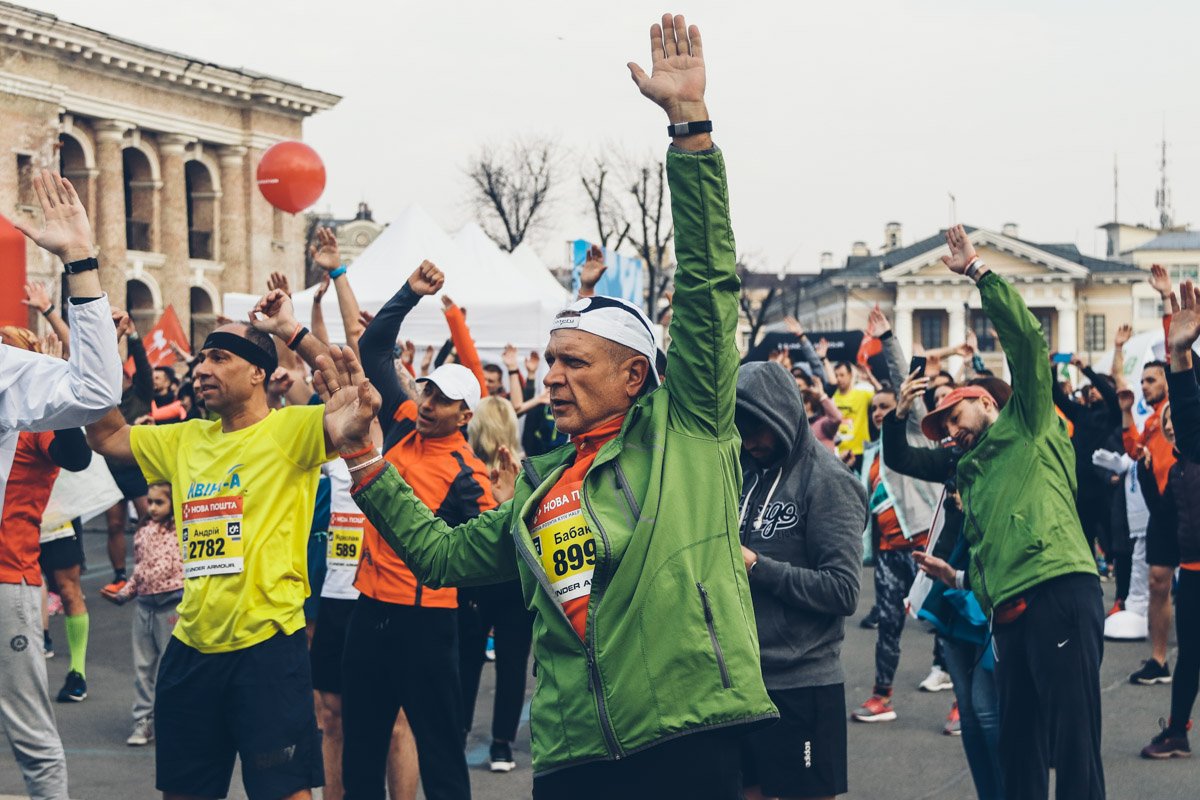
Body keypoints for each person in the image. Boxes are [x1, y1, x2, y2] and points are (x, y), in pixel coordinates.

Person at [317, 15, 777, 799]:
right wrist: (363, 458)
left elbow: (707, 285)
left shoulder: (688, 427)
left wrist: (689, 131)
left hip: (685, 736)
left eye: (574, 362)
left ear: (635, 376)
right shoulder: (540, 487)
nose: (554, 377)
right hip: (570, 756)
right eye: (552, 361)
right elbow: (443, 556)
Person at [85, 299, 335, 800]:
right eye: (201, 359)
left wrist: (293, 331)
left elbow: (352, 402)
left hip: (266, 650)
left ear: (259, 373)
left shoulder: (292, 432)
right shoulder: (185, 440)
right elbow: (106, 434)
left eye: (219, 357)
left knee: (284, 792)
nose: (201, 369)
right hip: (192, 649)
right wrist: (105, 353)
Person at [915, 224, 1104, 800]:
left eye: (951, 416)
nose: (948, 430)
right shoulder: (969, 476)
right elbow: (995, 552)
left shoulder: (1029, 422)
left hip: (1060, 594)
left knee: (1074, 751)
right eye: (941, 427)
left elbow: (1026, 341)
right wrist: (964, 578)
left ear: (982, 400)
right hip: (1008, 618)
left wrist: (979, 273)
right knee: (1018, 754)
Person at [349, 261, 495, 800]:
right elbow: (374, 350)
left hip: (428, 625)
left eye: (441, 401)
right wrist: (409, 292)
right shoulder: (404, 422)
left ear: (465, 416)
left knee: (439, 753)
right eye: (426, 392)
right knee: (361, 748)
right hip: (369, 613)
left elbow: (484, 555)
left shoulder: (468, 474)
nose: (427, 403)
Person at [1, 169, 122, 800]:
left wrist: (78, 262)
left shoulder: (7, 376)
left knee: (28, 731)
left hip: (6, 574)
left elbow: (95, 396)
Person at [734, 360, 865, 800]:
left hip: (804, 686)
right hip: (743, 683)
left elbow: (843, 590)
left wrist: (757, 566)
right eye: (742, 431)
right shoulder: (744, 476)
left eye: (758, 430)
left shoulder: (828, 481)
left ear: (783, 414)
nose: (751, 442)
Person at [851, 386, 939, 723]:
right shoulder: (873, 451)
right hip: (888, 552)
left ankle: (962, 704)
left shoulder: (916, 437)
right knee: (888, 624)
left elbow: (909, 390)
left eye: (885, 406)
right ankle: (881, 697)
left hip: (923, 550)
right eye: (874, 407)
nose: (877, 412)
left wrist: (888, 341)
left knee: (943, 623)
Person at [460, 396, 535, 773]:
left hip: (475, 578)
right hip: (513, 578)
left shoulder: (466, 466)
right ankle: (502, 745)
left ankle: (458, 733)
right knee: (511, 663)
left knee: (467, 660)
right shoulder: (527, 468)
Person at [101, 482, 184, 747]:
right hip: (145, 607)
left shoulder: (179, 532)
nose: (151, 508)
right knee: (143, 667)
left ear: (173, 504)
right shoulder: (143, 532)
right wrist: (124, 594)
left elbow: (177, 568)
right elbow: (140, 571)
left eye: (159, 502)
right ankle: (143, 720)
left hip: (171, 606)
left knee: (171, 667)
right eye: (149, 502)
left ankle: (173, 719)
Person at [1122, 358, 1175, 686]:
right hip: (1163, 511)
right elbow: (1132, 449)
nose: (1144, 385)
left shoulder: (1178, 409)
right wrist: (1127, 410)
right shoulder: (1155, 419)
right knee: (1157, 582)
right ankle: (1158, 660)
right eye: (1142, 381)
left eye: (1151, 380)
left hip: (1187, 505)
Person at [102, 316, 155, 596]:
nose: (117, 378)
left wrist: (133, 338)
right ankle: (120, 575)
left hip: (136, 468)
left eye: (121, 374)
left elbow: (144, 366)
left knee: (149, 519)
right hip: (111, 471)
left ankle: (151, 568)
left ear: (129, 378)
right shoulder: (105, 401)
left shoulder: (141, 393)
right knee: (114, 525)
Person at [832, 360, 873, 468]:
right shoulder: (831, 399)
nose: (839, 379)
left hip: (860, 450)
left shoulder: (862, 395)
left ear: (850, 375)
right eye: (836, 375)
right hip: (839, 453)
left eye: (842, 375)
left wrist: (871, 378)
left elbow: (884, 398)